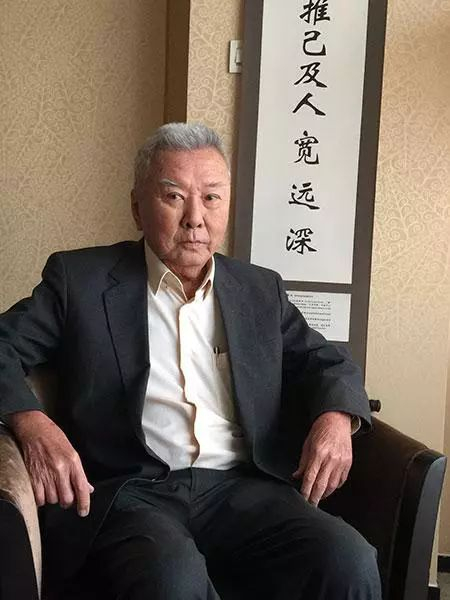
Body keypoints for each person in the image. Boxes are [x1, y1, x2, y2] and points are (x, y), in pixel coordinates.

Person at [0, 122, 381, 599]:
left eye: (212, 198)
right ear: (137, 207)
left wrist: (337, 417)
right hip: (133, 490)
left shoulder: (259, 290)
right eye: (174, 197)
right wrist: (32, 423)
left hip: (242, 488)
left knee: (348, 559)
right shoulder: (81, 280)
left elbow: (327, 361)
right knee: (172, 577)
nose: (195, 219)